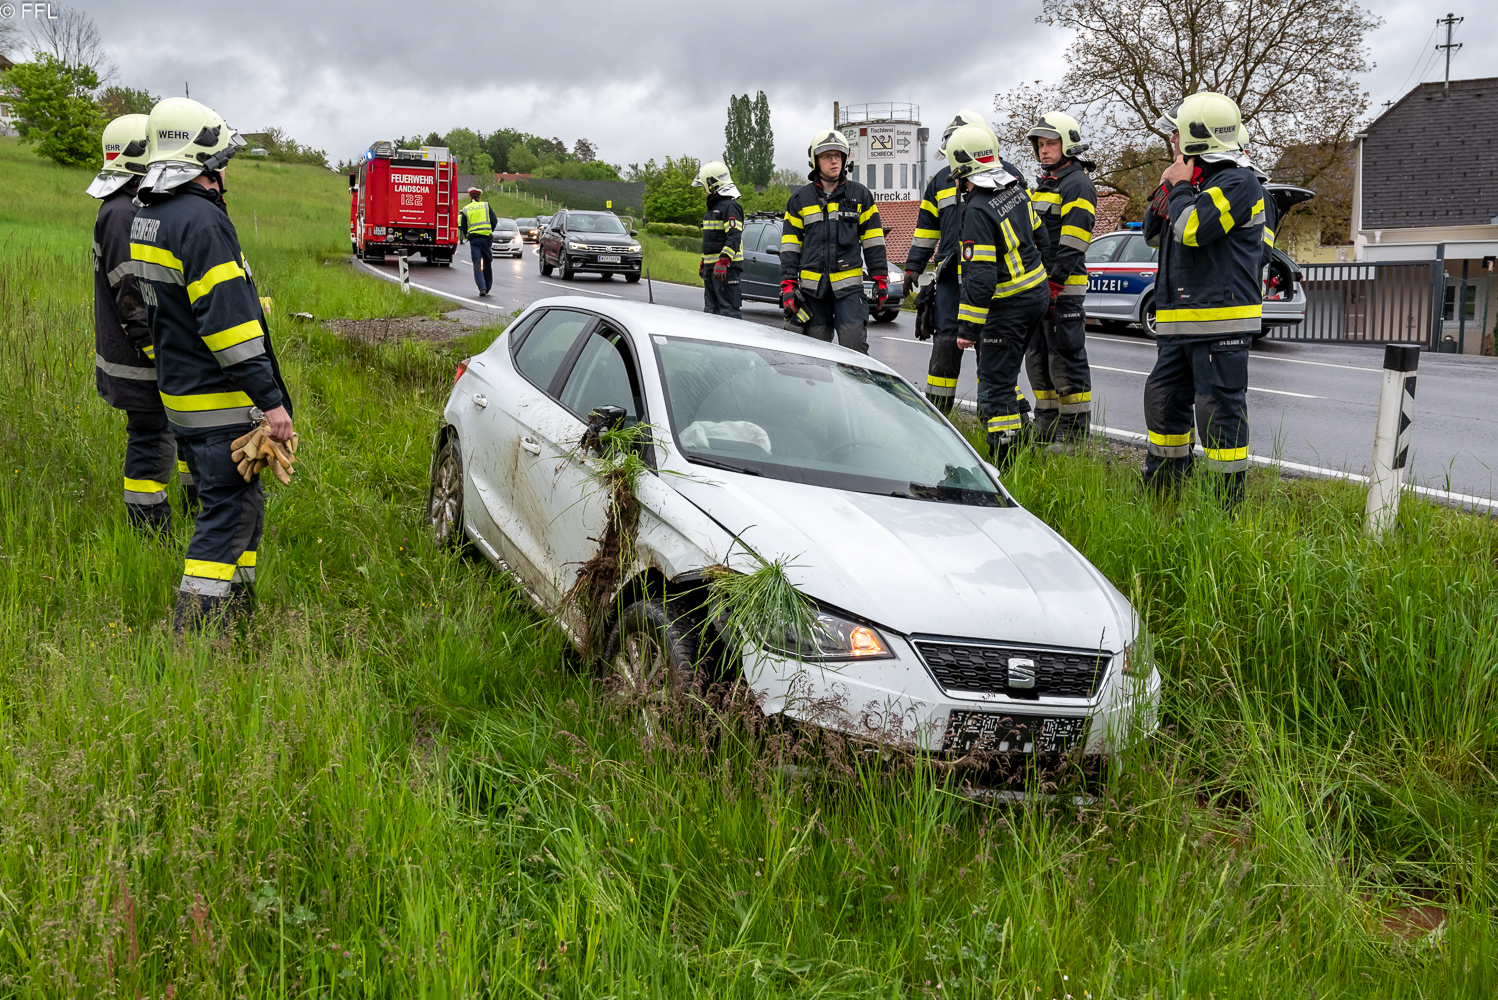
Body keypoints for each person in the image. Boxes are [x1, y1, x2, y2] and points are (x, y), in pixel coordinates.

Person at [131, 97, 295, 631]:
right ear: (203, 160)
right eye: (222, 159)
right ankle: (195, 633)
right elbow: (229, 328)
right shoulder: (201, 221)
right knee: (226, 513)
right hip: (219, 403)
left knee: (246, 508)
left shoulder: (149, 216)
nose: (226, 170)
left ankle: (237, 613)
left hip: (183, 398)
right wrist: (271, 402)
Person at [1141, 92, 1266, 507]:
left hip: (1219, 326)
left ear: (1197, 137)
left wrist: (1180, 187)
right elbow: (1151, 232)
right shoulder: (1194, 184)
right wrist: (1171, 185)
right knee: (1162, 403)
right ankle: (1163, 496)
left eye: (1177, 133)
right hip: (1178, 326)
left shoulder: (1238, 182)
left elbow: (1193, 229)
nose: (1172, 140)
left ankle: (1222, 510)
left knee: (1218, 417)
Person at [88, 113, 197, 533]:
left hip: (148, 359)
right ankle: (149, 531)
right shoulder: (120, 213)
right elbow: (132, 300)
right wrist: (163, 355)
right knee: (151, 443)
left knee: (183, 434)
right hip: (141, 364)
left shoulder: (129, 207)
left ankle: (196, 510)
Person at [905, 109, 1030, 415]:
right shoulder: (940, 181)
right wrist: (913, 266)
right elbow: (927, 229)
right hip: (950, 279)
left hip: (993, 279)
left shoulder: (1009, 175)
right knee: (946, 345)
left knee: (992, 348)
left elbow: (1025, 227)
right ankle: (938, 419)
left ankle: (1002, 416)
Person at [946, 124, 1052, 468]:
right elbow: (1042, 237)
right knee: (1005, 374)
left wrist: (967, 329)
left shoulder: (977, 209)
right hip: (1035, 297)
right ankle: (1023, 434)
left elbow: (980, 277)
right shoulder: (1016, 189)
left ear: (961, 166)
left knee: (993, 385)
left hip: (1007, 307)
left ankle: (1005, 461)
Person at [1024, 111, 1097, 446]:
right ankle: (1046, 425)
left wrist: (1055, 284)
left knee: (1066, 359)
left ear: (1068, 145)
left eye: (1051, 143)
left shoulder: (1077, 184)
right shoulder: (1046, 185)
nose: (1044, 150)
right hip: (1042, 290)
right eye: (1040, 144)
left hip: (1063, 290)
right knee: (1039, 359)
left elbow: (1074, 240)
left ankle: (1074, 435)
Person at [778, 129, 885, 353]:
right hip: (812, 293)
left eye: (837, 155)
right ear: (815, 161)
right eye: (826, 156)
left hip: (849, 292)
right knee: (815, 356)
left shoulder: (860, 196)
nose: (834, 160)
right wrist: (788, 284)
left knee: (855, 349)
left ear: (845, 159)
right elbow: (790, 246)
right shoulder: (800, 199)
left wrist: (880, 279)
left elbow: (874, 241)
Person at [692, 161, 745, 317]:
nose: (703, 190)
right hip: (712, 270)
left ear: (712, 184)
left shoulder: (730, 207)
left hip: (726, 270)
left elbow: (734, 237)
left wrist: (723, 262)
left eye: (704, 186)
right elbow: (711, 241)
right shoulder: (712, 210)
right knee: (710, 312)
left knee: (728, 312)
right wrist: (704, 262)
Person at [459, 187, 497, 296]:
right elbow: (494, 220)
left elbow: (463, 226)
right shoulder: (485, 205)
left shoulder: (466, 208)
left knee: (477, 263)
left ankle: (482, 288)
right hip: (486, 239)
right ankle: (488, 287)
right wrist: (489, 231)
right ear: (479, 197)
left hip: (474, 240)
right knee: (487, 262)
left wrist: (466, 235)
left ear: (470, 197)